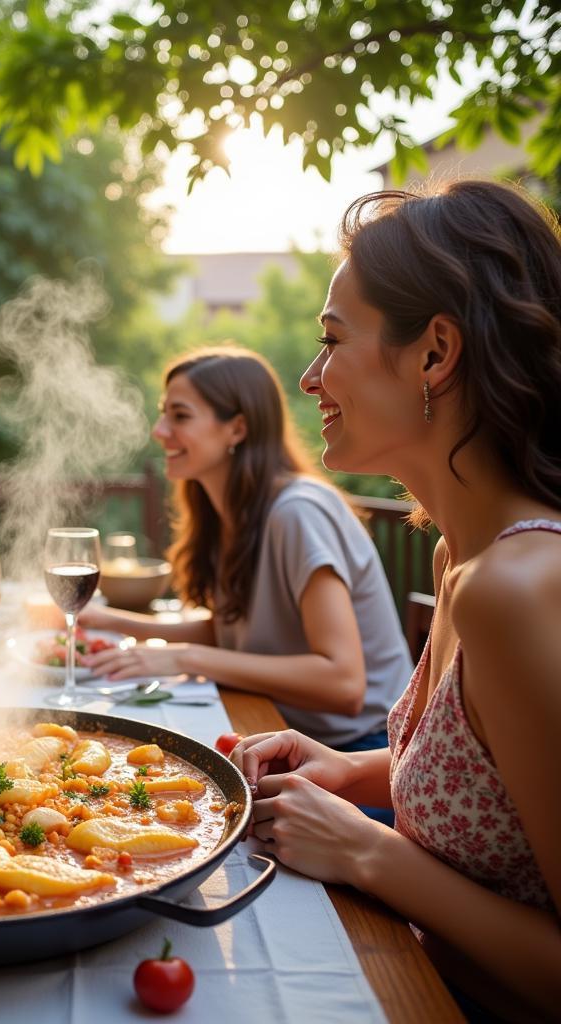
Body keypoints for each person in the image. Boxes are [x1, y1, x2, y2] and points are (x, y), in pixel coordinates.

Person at [233, 180, 561, 1018]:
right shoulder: (464, 556)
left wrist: (369, 852)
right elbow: (498, 784)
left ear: (434, 353)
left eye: (332, 340)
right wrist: (351, 774)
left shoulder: (521, 591)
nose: (309, 377)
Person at [84, 346, 411, 757]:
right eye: (163, 412)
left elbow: (343, 684)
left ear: (237, 429)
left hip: (362, 754)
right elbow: (230, 631)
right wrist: (108, 622)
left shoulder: (297, 512)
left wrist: (185, 658)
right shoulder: (231, 514)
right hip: (281, 733)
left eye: (180, 415)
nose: (159, 430)